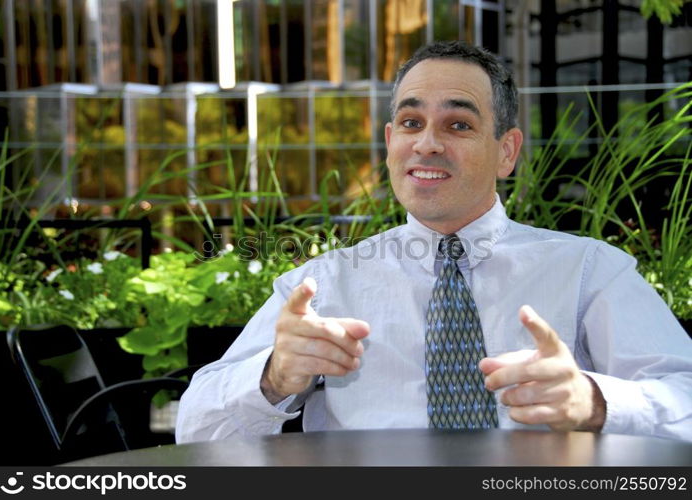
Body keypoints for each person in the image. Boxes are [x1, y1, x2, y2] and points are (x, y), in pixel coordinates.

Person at [176, 41, 692, 442]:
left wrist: (594, 400)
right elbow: (195, 431)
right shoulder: (322, 285)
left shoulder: (589, 270)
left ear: (506, 151)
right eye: (411, 122)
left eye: (458, 124)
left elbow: (684, 399)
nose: (426, 143)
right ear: (390, 143)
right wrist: (273, 378)